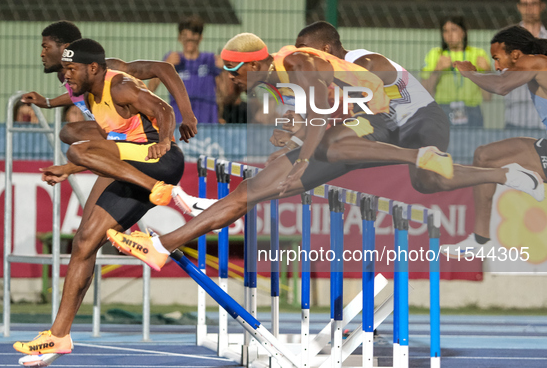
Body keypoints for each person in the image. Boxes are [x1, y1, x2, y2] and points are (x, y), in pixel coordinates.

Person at [108, 32, 543, 272]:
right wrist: (291, 138)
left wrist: (300, 151)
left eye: (233, 74)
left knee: (344, 153)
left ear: (254, 64)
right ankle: (164, 245)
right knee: (257, 189)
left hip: (415, 119)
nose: (230, 82)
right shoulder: (282, 79)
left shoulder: (304, 62)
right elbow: (308, 116)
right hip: (366, 122)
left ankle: (436, 162)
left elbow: (323, 117)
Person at [12, 39, 185, 358]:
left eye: (71, 69)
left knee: (75, 144)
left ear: (93, 67)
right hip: (131, 165)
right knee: (84, 242)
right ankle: (58, 336)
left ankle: (158, 192)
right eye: (63, 70)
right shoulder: (87, 96)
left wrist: (167, 137)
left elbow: (162, 107)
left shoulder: (118, 83)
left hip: (159, 159)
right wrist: (68, 168)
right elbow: (112, 147)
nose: (66, 76)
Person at [443, 25, 547, 256]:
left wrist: (470, 72)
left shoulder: (535, 62)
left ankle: (525, 175)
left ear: (516, 54)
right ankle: (479, 240)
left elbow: (501, 87)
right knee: (484, 155)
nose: (496, 66)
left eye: (497, 59)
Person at [21, 20, 197, 145]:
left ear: (66, 49)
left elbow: (164, 69)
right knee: (69, 132)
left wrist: (188, 116)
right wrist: (48, 102)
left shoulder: (108, 69)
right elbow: (77, 96)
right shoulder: (70, 76)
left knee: (75, 141)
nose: (42, 54)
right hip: (117, 136)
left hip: (146, 137)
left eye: (46, 47)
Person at [147, 15, 226, 124]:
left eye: (193, 34)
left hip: (207, 122)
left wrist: (226, 69)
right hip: (180, 123)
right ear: (179, 37)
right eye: (185, 34)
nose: (189, 38)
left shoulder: (210, 60)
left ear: (200, 37)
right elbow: (150, 89)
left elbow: (223, 92)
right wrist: (165, 66)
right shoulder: (173, 60)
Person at [421, 16, 491, 127]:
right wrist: (437, 70)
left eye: (454, 30)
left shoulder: (477, 54)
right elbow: (425, 92)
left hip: (472, 110)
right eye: (445, 31)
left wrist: (486, 72)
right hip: (443, 109)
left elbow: (488, 97)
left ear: (463, 32)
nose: (449, 34)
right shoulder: (435, 54)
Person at [503, 0, 547, 129]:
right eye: (524, 4)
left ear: (542, 6)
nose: (529, 8)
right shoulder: (508, 40)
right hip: (516, 118)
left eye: (533, 4)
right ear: (518, 7)